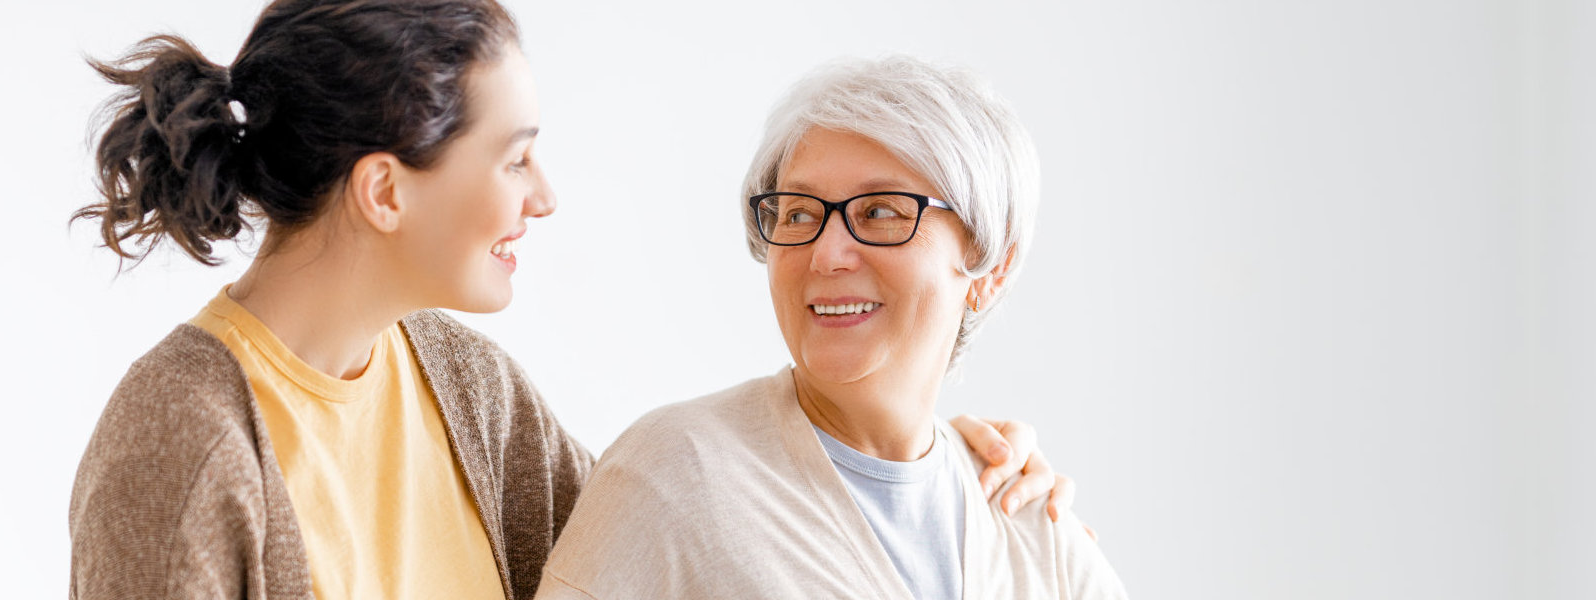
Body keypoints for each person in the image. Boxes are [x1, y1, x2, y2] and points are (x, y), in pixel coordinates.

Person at [67, 2, 1078, 598]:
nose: (543, 197)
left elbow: (708, 535)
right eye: (515, 159)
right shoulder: (186, 439)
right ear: (384, 191)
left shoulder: (465, 390)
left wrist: (927, 461)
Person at [537, 56, 1126, 599]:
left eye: (879, 212)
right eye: (799, 213)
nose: (827, 253)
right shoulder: (675, 475)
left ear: (988, 267)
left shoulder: (1033, 525)